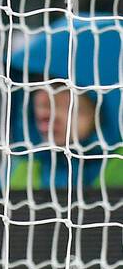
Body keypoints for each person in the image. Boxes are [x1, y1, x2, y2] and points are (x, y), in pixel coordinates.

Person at [6, 16, 123, 191]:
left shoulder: (118, 168)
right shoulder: (21, 170)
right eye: (36, 85)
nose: (41, 99)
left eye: (60, 85)